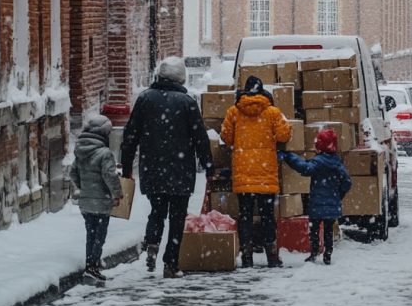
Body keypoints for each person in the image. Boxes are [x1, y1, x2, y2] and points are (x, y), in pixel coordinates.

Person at [121, 56, 213, 279]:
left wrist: (126, 167)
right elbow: (200, 137)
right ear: (181, 78)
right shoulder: (187, 102)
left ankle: (152, 244)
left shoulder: (145, 99)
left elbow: (130, 135)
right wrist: (208, 165)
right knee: (177, 216)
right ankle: (170, 263)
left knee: (157, 211)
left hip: (153, 168)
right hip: (181, 169)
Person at [220, 75, 291, 268]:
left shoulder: (234, 111)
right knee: (268, 216)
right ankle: (272, 256)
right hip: (266, 173)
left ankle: (247, 256)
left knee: (245, 216)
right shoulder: (272, 112)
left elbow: (226, 137)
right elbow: (284, 135)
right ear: (261, 91)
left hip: (243, 173)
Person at [279, 128, 352, 265]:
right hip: (332, 205)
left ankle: (314, 253)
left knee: (314, 230)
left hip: (316, 204)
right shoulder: (337, 163)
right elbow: (347, 182)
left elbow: (304, 168)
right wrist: (338, 195)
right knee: (328, 231)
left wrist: (289, 157)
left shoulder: (318, 162)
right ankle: (328, 254)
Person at [70, 115, 123, 286]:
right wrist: (117, 194)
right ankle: (93, 268)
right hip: (101, 201)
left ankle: (90, 266)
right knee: (99, 235)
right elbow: (110, 176)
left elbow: (73, 173)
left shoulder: (80, 151)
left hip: (86, 202)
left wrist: (82, 188)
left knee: (90, 234)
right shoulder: (104, 153)